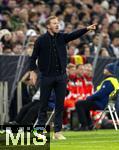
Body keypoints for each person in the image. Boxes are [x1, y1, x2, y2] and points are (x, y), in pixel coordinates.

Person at [29, 16, 96, 139]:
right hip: (46, 77)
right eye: (54, 23)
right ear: (48, 26)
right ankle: (39, 130)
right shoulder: (40, 40)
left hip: (61, 77)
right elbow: (33, 58)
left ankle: (57, 132)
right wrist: (32, 72)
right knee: (43, 105)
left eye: (58, 23)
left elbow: (74, 34)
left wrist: (86, 29)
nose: (57, 25)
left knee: (59, 105)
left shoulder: (62, 37)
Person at [75, 62, 119, 131]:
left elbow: (100, 94)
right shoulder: (114, 81)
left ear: (109, 70)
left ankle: (84, 125)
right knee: (85, 105)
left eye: (105, 68)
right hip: (108, 104)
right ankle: (89, 125)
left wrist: (89, 98)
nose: (104, 70)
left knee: (79, 103)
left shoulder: (109, 81)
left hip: (101, 103)